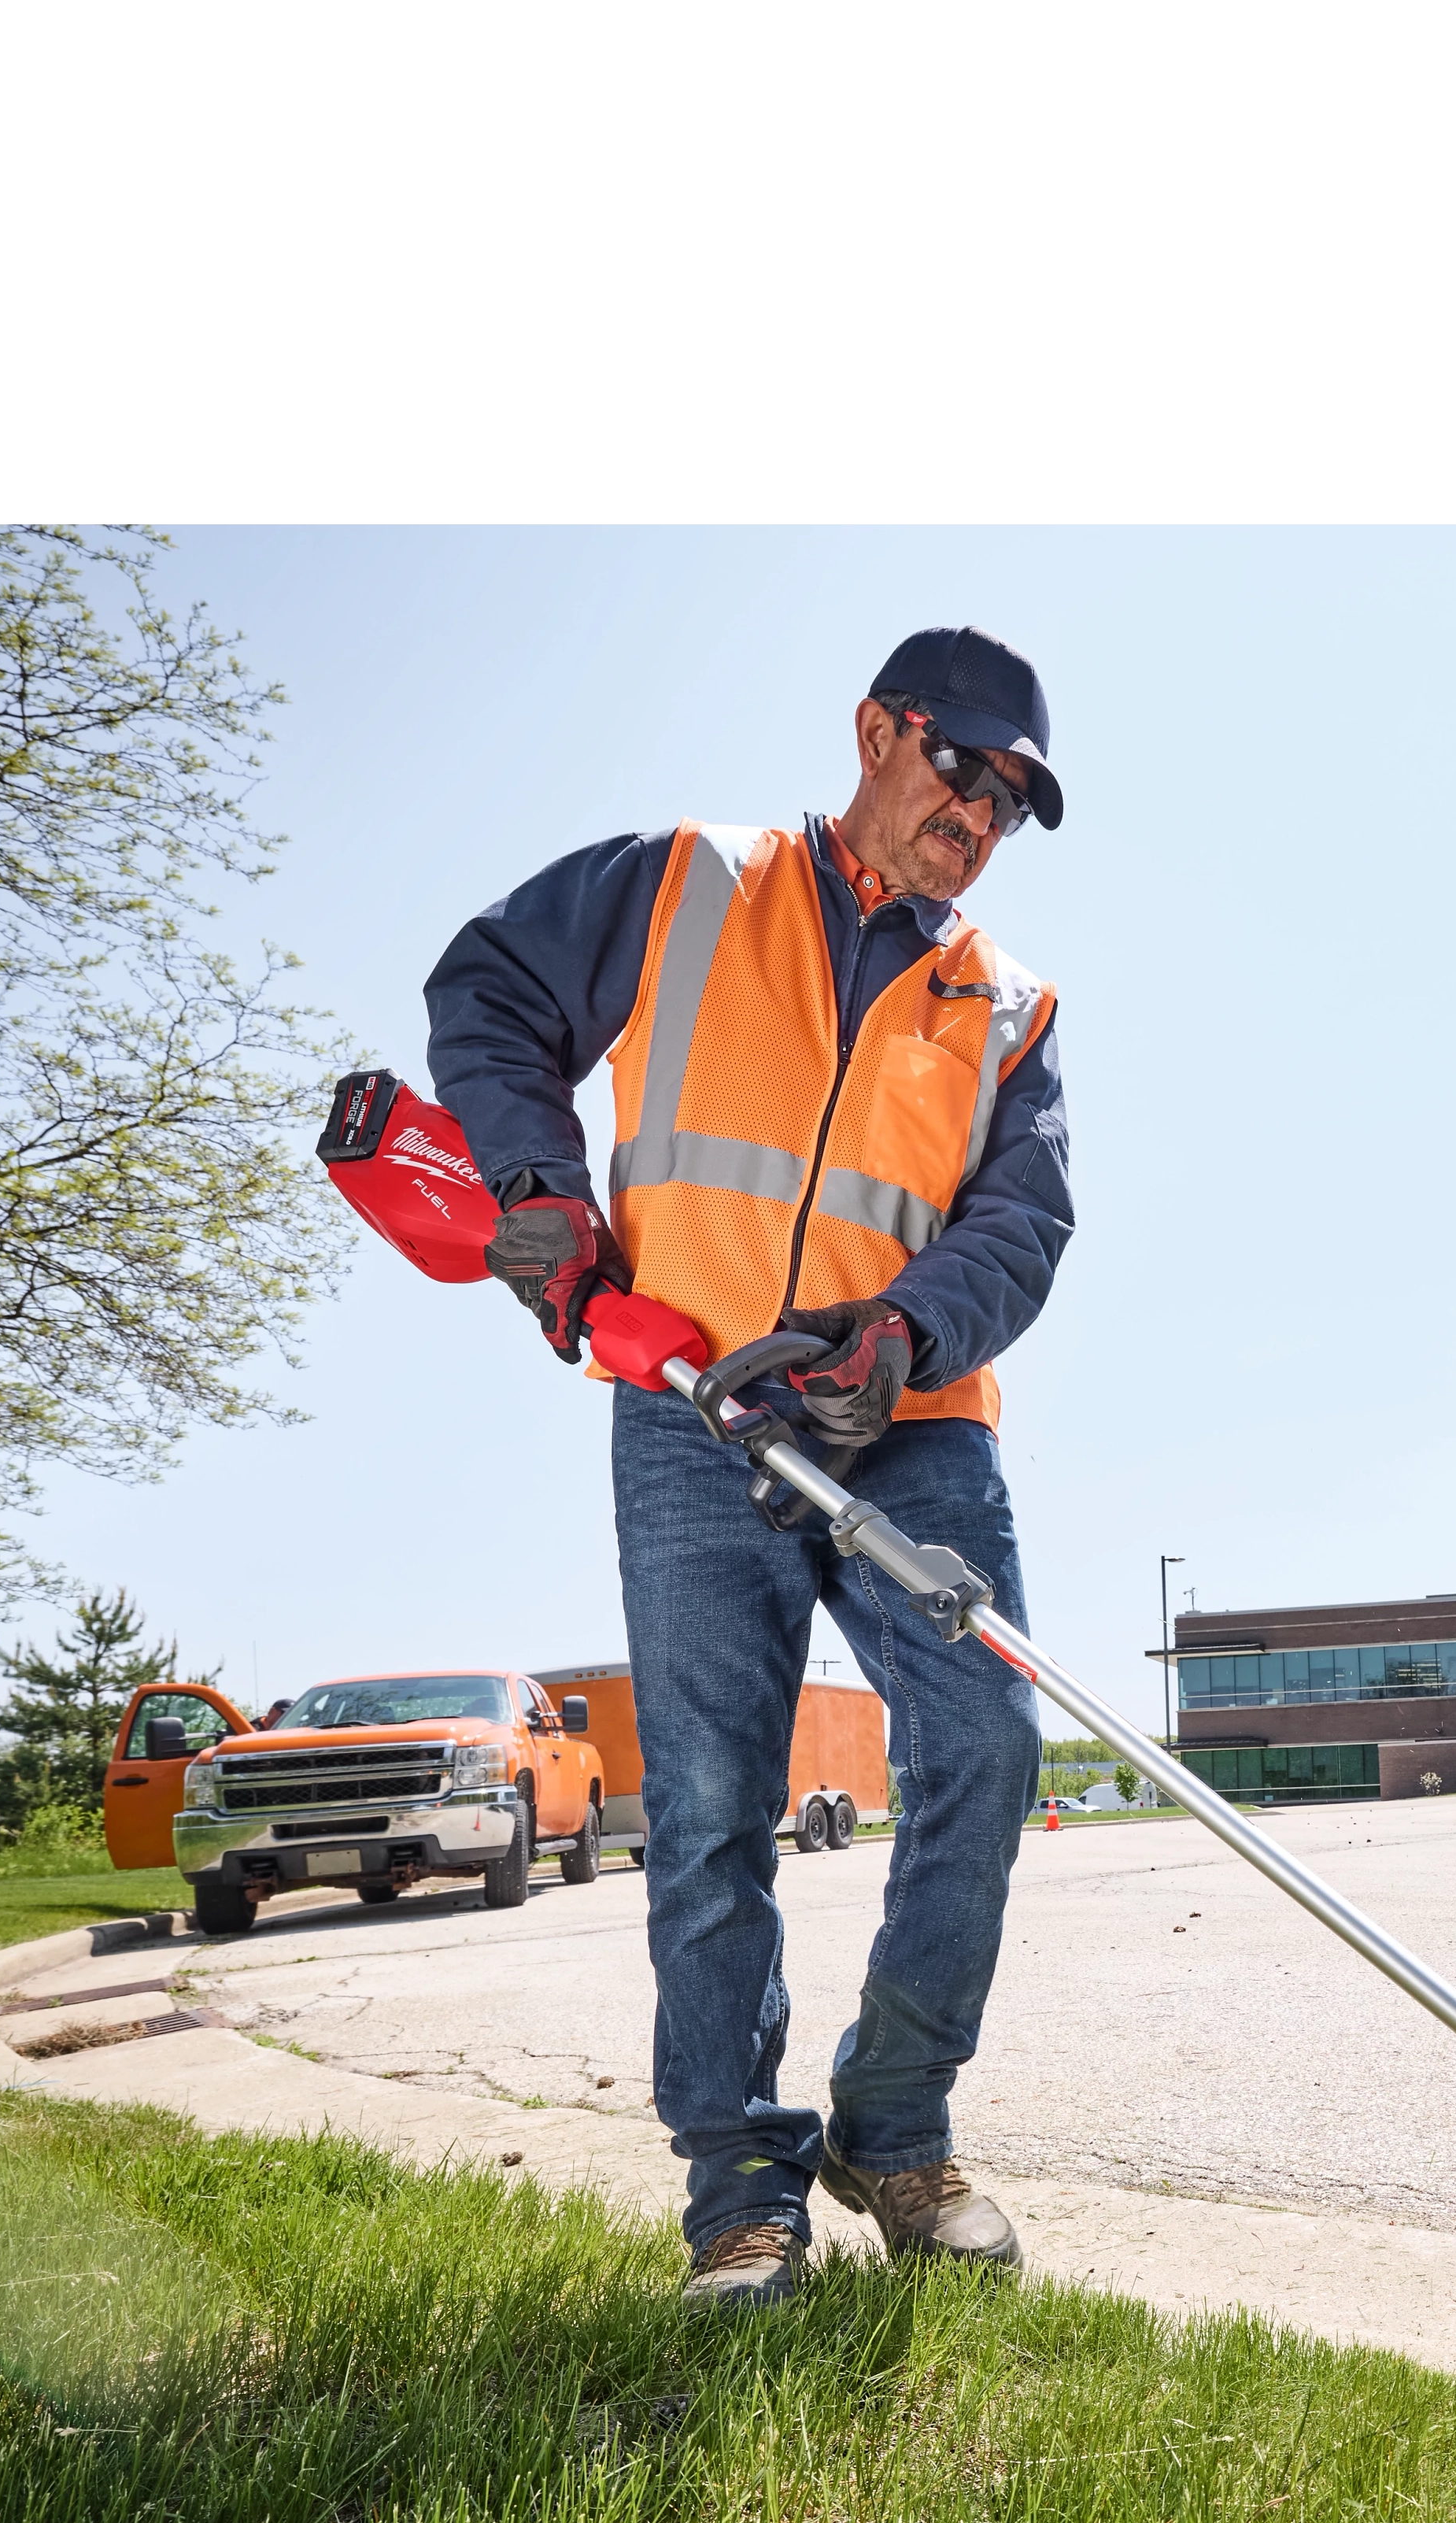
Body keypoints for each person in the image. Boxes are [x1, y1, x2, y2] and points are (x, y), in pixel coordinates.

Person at [423, 627, 1072, 2307]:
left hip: (906, 1426)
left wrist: (897, 1338)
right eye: (964, 768)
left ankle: (893, 2120)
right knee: (708, 1803)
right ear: (879, 728)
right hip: (692, 1409)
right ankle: (737, 2184)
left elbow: (1022, 1220)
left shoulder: (1002, 1001)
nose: (980, 812)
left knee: (988, 1740)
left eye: (1010, 798)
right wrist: (534, 1185)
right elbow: (488, 988)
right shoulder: (684, 885)